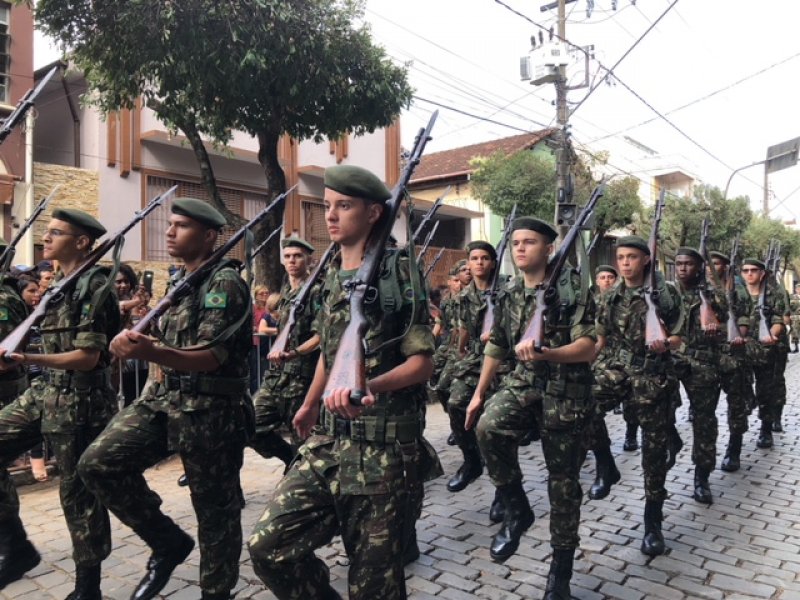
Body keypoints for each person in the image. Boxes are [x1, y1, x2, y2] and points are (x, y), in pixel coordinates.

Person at [248, 164, 440, 600]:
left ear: (374, 213)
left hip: (382, 452)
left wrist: (372, 385)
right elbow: (333, 355)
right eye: (327, 206)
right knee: (269, 546)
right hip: (328, 444)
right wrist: (311, 403)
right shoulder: (333, 277)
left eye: (343, 206)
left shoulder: (398, 271)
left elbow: (422, 363)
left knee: (374, 586)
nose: (330, 216)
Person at [78, 198, 253, 600]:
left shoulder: (225, 284)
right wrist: (145, 342)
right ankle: (168, 541)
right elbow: (175, 344)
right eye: (170, 224)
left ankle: (216, 592)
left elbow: (212, 357)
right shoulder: (180, 281)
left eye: (182, 226)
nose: (170, 232)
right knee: (98, 463)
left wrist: (150, 352)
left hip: (212, 411)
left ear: (209, 236)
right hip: (163, 400)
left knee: (216, 514)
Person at [465, 217, 595, 597]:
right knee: (487, 427)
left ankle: (560, 572)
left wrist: (550, 352)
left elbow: (588, 347)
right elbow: (498, 345)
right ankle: (516, 506)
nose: (521, 248)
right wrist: (478, 393)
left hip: (566, 390)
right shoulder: (507, 294)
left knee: (563, 485)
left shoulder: (573, 290)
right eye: (516, 242)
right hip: (524, 384)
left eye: (530, 242)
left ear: (548, 248)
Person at [0, 210, 120, 600]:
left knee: (77, 493)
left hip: (82, 399)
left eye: (55, 233)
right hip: (46, 391)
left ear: (82, 242)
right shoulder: (58, 284)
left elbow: (87, 356)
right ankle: (16, 546)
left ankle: (89, 586)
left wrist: (30, 359)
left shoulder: (96, 287)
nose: (45, 238)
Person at [593, 235, 684, 556]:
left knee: (653, 452)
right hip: (616, 369)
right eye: (621, 257)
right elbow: (599, 341)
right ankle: (606, 465)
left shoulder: (665, 293)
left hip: (652, 374)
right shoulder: (609, 297)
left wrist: (666, 341)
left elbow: (679, 335)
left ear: (646, 259)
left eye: (632, 256)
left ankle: (652, 523)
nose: (625, 263)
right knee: (583, 406)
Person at [250, 237, 321, 468]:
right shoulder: (285, 294)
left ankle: (301, 477)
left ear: (308, 259)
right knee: (250, 425)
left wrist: (296, 353)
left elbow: (322, 335)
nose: (292, 260)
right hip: (277, 377)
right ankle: (289, 458)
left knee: (304, 439)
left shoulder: (317, 291)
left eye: (298, 256)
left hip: (303, 379)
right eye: (288, 256)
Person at [672, 247, 727, 504]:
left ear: (699, 267)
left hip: (703, 363)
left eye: (689, 264)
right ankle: (671, 441)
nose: (683, 268)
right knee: (657, 410)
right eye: (679, 263)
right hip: (671, 360)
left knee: (704, 422)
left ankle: (701, 477)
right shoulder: (664, 293)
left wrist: (714, 318)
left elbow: (728, 320)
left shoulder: (713, 294)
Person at [447, 241, 497, 494]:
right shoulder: (464, 297)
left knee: (496, 427)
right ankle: (472, 460)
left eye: (485, 258)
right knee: (456, 403)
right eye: (474, 258)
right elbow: (463, 328)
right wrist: (459, 351)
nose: (479, 262)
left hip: (503, 361)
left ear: (492, 263)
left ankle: (504, 489)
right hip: (476, 358)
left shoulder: (505, 292)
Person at [708, 251, 753, 472]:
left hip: (733, 356)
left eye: (715, 264)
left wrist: (737, 333)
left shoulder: (737, 289)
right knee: (705, 412)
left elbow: (745, 318)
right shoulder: (699, 289)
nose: (710, 268)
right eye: (708, 264)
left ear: (725, 266)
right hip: (707, 357)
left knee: (736, 405)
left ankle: (733, 450)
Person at [740, 257, 786, 449]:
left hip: (765, 350)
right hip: (741, 350)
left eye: (753, 270)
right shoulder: (736, 295)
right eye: (745, 270)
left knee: (766, 390)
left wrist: (770, 335)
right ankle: (750, 402)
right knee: (741, 387)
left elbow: (779, 321)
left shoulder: (771, 295)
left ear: (762, 274)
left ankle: (766, 430)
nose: (749, 274)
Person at [14, 276, 47, 482]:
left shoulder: (42, 313)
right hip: (20, 374)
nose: (36, 295)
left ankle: (38, 460)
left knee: (38, 418)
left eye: (38, 291)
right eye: (31, 291)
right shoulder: (16, 315)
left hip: (41, 373)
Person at [790, 283, 800, 353]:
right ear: (796, 290)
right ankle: (796, 347)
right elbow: (790, 307)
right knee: (795, 333)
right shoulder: (792, 297)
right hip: (795, 317)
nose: (799, 290)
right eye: (798, 289)